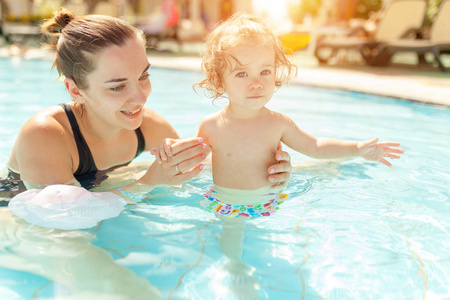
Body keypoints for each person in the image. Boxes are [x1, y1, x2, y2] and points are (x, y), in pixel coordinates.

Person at [4, 9, 292, 202]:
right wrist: (148, 181)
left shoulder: (149, 127)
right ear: (75, 89)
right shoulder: (45, 135)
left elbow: (204, 171)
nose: (140, 98)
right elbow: (65, 217)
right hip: (14, 222)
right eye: (117, 86)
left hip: (100, 199)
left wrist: (267, 168)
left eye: (143, 76)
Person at [153, 13, 404, 216]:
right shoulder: (210, 126)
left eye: (265, 71)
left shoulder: (278, 123)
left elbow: (315, 146)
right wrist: (168, 149)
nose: (256, 83)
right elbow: (192, 161)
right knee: (232, 246)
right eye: (241, 74)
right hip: (223, 202)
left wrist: (358, 148)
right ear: (219, 82)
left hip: (267, 203)